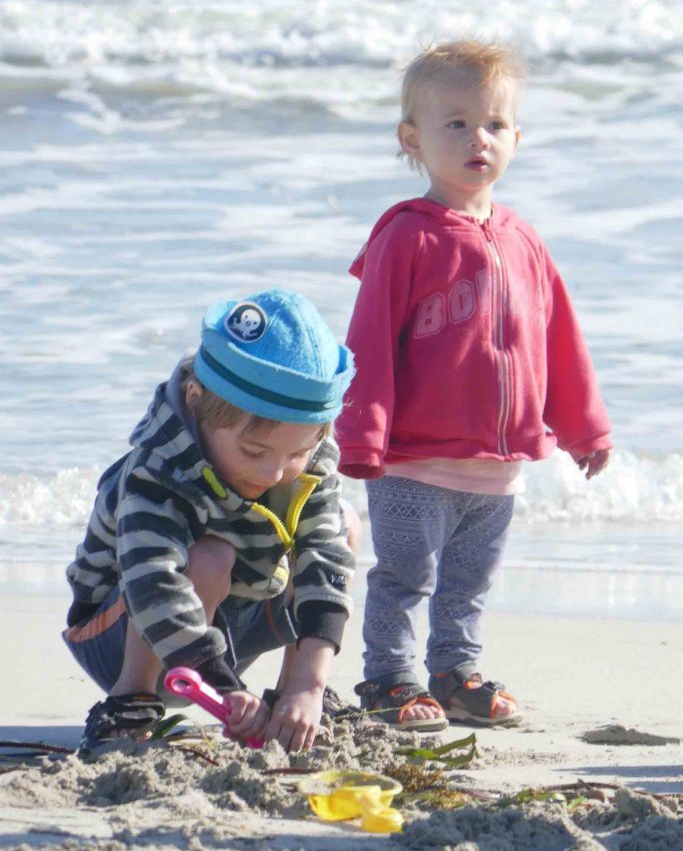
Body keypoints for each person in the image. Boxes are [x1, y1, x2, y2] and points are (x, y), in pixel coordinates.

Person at [335, 40, 612, 732]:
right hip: (411, 459)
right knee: (403, 578)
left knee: (468, 583)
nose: (475, 138)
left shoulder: (524, 240)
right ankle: (388, 681)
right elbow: (367, 344)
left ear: (516, 137)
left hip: (497, 468)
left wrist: (583, 427)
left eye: (492, 123)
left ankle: (455, 675)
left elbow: (559, 343)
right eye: (453, 123)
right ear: (412, 140)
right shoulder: (406, 236)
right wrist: (361, 436)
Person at [64, 289, 358, 756]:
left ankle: (289, 697)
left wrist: (311, 682)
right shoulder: (158, 469)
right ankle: (130, 699)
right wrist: (225, 686)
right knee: (209, 555)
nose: (272, 473)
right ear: (198, 402)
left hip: (227, 622)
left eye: (296, 453)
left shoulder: (310, 460)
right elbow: (154, 581)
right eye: (254, 452)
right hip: (120, 627)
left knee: (340, 524)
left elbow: (325, 563)